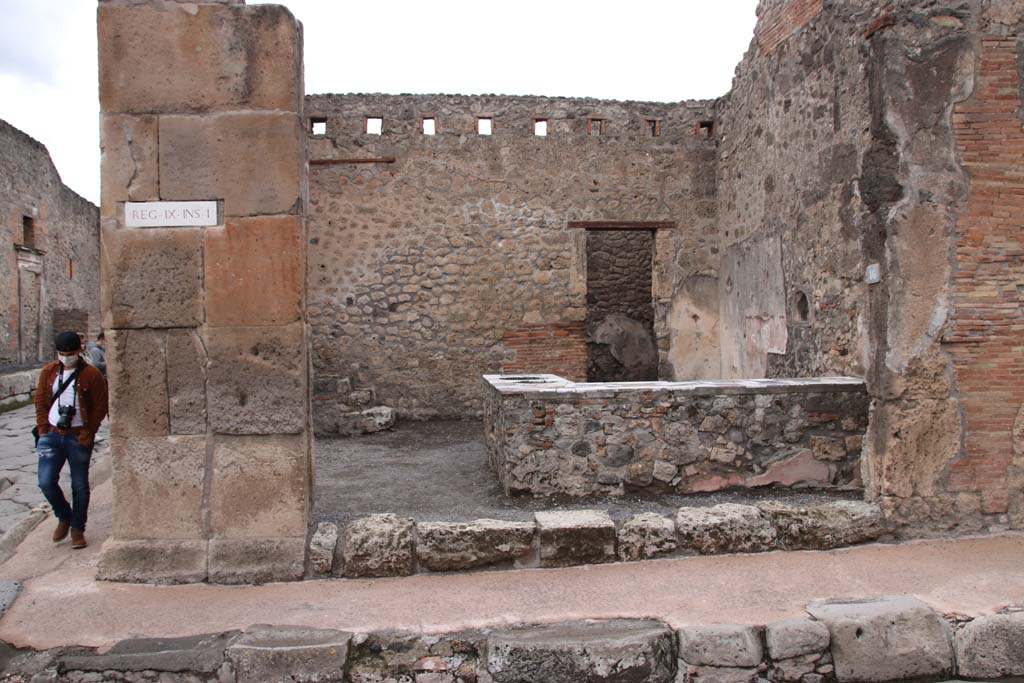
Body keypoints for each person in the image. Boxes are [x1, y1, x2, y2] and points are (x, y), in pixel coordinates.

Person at [34, 330, 108, 549]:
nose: (66, 356)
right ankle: (64, 515)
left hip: (78, 435)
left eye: (70, 352)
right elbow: (40, 400)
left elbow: (100, 406)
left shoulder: (91, 375)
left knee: (80, 485)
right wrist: (43, 429)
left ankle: (77, 528)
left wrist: (88, 433)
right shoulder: (48, 372)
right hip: (52, 434)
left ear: (79, 351)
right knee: (46, 482)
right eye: (62, 353)